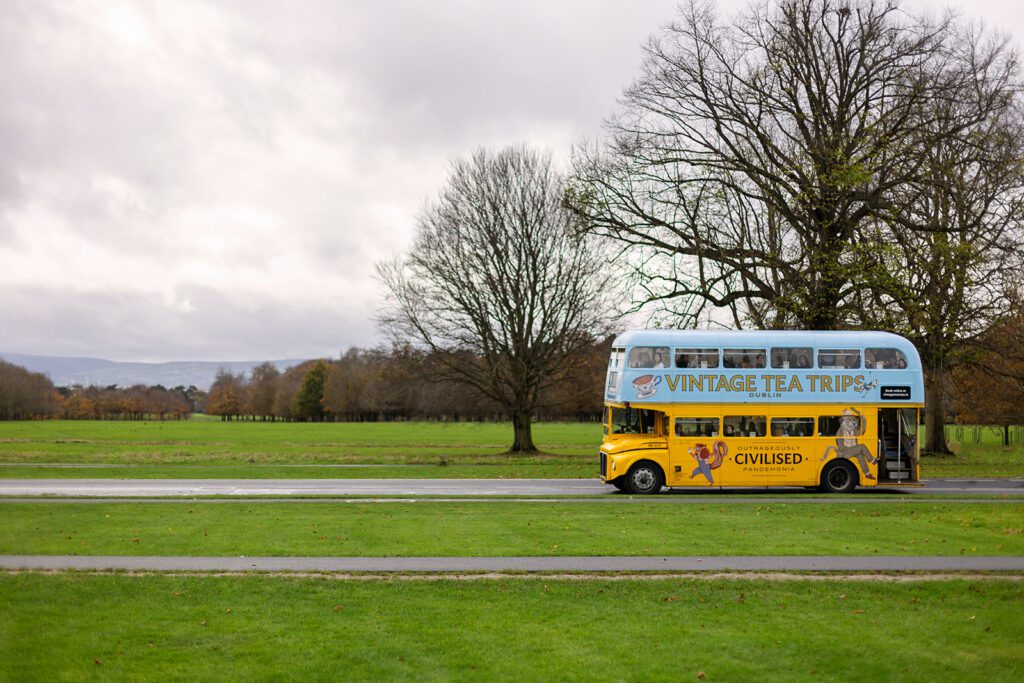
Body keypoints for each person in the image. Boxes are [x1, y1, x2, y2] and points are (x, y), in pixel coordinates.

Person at [820, 407, 877, 480]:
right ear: (844, 422)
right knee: (862, 447)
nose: (850, 422)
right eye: (848, 420)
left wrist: (863, 420)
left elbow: (862, 431)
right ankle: (872, 460)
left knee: (860, 456)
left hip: (852, 449)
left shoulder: (853, 430)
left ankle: (867, 473)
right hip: (845, 451)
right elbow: (840, 446)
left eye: (851, 420)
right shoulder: (840, 432)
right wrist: (847, 450)